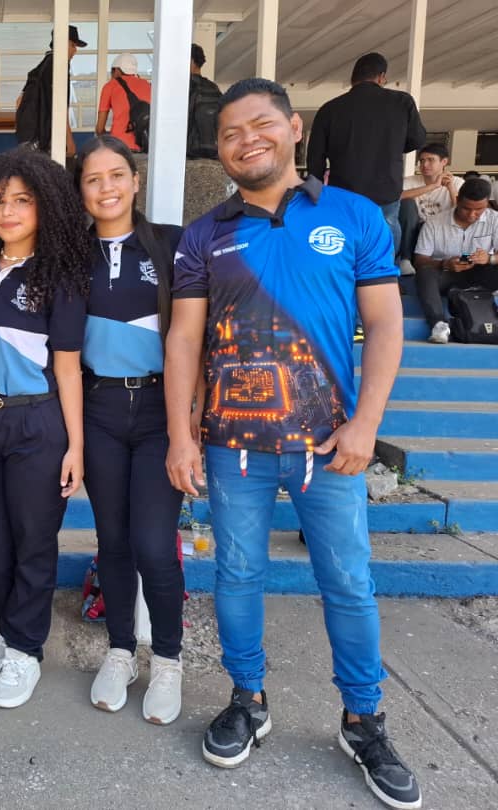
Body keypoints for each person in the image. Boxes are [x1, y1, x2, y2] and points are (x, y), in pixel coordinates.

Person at [165, 77, 420, 810]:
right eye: (231, 133)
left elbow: (386, 325)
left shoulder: (354, 215)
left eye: (260, 125)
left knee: (347, 581)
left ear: (295, 127)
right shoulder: (204, 234)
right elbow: (183, 338)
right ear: (220, 151)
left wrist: (366, 425)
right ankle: (248, 698)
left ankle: (363, 718)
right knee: (238, 575)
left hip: (330, 446)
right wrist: (181, 434)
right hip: (231, 447)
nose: (247, 140)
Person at [0, 147, 88, 709]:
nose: (7, 212)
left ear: (45, 207)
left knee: (33, 540)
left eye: (22, 201)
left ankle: (25, 649)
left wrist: (75, 444)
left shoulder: (60, 276)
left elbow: (68, 367)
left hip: (37, 420)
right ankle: (8, 623)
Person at [74, 135, 186, 724]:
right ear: (81, 191)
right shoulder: (71, 253)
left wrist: (190, 423)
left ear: (135, 180)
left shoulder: (171, 244)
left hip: (159, 411)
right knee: (112, 541)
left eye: (117, 175)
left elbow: (194, 335)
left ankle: (167, 658)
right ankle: (120, 650)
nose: (107, 187)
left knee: (153, 544)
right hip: (99, 407)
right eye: (93, 179)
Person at [306, 52, 427, 253]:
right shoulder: (402, 102)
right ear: (381, 77)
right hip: (386, 189)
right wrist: (392, 147)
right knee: (385, 236)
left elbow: (315, 157)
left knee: (347, 240)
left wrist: (315, 194)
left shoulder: (330, 109)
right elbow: (418, 139)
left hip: (344, 192)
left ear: (353, 78)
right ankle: (385, 270)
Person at [412, 178, 498, 344]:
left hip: (481, 275)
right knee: (425, 273)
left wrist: (489, 258)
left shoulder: (495, 220)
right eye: (466, 208)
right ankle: (438, 324)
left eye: (479, 210)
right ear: (457, 200)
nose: (472, 215)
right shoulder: (434, 223)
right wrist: (444, 264)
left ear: (487, 203)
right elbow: (420, 260)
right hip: (447, 275)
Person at [15, 24, 85, 157]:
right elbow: (60, 107)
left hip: (29, 139)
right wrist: (69, 140)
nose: (75, 50)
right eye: (73, 45)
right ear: (63, 43)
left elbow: (19, 101)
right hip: (45, 140)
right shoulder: (58, 66)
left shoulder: (40, 67)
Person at [398, 144, 463, 274]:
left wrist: (451, 188)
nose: (425, 164)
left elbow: (462, 211)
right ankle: (405, 259)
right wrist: (433, 186)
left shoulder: (457, 182)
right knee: (407, 203)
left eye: (430, 160)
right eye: (422, 160)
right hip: (415, 228)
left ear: (444, 162)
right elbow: (396, 197)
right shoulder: (409, 181)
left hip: (442, 229)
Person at [94, 54, 152, 153]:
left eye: (112, 71)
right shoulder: (147, 85)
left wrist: (104, 137)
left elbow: (99, 128)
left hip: (119, 146)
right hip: (145, 145)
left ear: (117, 70)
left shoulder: (110, 86)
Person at [187, 43, 223, 160]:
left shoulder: (185, 87)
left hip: (190, 148)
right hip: (214, 148)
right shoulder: (213, 87)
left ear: (192, 61)